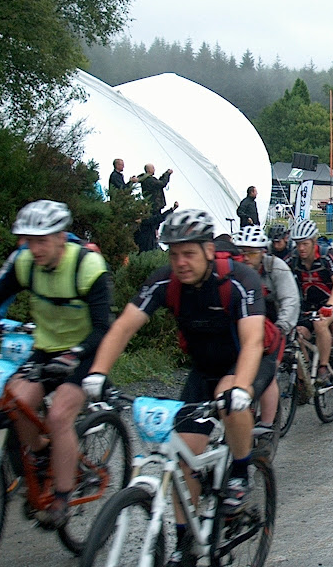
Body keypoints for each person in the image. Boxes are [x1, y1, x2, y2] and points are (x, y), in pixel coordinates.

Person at [85, 209, 281, 566]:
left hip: (250, 360)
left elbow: (253, 341)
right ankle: (184, 543)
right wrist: (97, 374)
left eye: (188, 253)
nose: (180, 262)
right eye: (173, 254)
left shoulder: (241, 278)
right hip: (204, 369)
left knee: (229, 399)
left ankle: (240, 473)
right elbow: (124, 327)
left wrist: (241, 388)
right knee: (182, 454)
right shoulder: (165, 281)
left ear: (209, 250)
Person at [0, 200, 111, 528]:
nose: (35, 249)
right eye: (29, 241)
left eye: (42, 241)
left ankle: (61, 497)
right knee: (14, 403)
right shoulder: (25, 263)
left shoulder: (87, 265)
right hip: (45, 350)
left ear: (61, 237)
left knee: (58, 415)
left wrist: (74, 354)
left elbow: (104, 328)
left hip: (86, 352)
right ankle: (44, 454)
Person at [233, 225, 300, 461]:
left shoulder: (276, 268)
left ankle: (266, 428)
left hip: (275, 327)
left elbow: (290, 300)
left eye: (251, 253)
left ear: (263, 252)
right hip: (247, 326)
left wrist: (283, 327)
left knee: (267, 371)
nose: (245, 257)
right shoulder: (235, 270)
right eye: (241, 252)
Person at [286, 219, 333, 378]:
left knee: (322, 324)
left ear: (314, 241)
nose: (301, 248)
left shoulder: (326, 255)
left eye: (305, 244)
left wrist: (330, 305)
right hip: (308, 305)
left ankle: (324, 367)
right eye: (298, 244)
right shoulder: (293, 258)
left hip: (330, 302)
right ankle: (306, 373)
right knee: (297, 333)